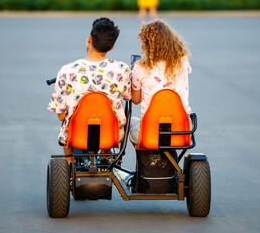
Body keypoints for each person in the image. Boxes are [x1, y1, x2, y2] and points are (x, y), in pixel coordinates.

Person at [47, 17, 132, 162]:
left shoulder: (67, 70)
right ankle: (106, 156)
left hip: (76, 133)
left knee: (66, 121)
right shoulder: (121, 69)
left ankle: (69, 163)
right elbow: (128, 96)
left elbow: (61, 115)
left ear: (89, 38)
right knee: (113, 113)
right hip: (110, 134)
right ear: (111, 47)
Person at [130, 19, 192, 144]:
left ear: (146, 45)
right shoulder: (182, 61)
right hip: (181, 128)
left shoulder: (140, 67)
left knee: (131, 121)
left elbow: (135, 100)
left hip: (151, 131)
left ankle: (144, 156)